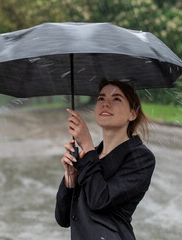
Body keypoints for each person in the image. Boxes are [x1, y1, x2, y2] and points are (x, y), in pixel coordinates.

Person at [55, 79, 155, 240]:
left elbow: (100, 200)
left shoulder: (141, 158)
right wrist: (70, 179)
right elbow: (63, 218)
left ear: (132, 113)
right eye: (101, 98)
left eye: (116, 99)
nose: (105, 104)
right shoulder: (90, 156)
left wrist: (87, 146)